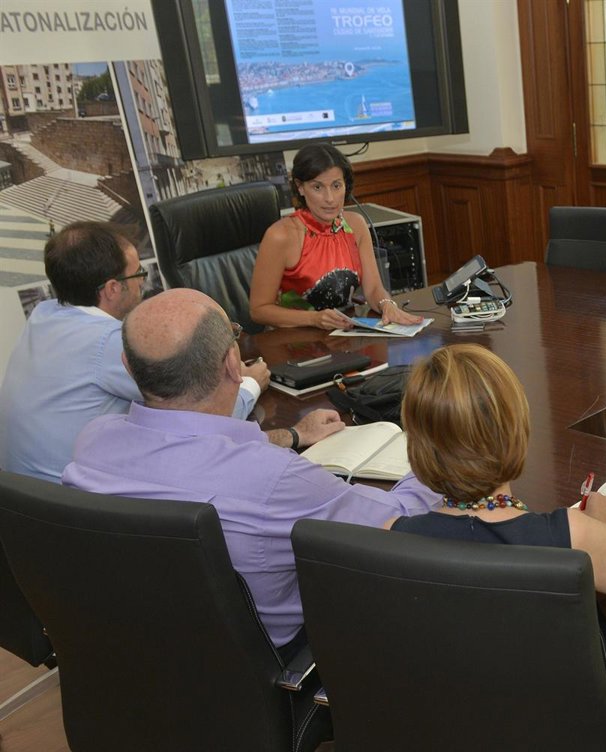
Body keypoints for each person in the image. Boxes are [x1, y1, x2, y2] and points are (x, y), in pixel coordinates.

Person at [62, 288, 440, 652]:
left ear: (128, 367)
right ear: (233, 364)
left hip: (142, 651)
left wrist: (292, 436)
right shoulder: (274, 479)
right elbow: (404, 522)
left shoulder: (92, 442)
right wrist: (437, 445)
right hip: (282, 661)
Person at [387, 343, 606, 720]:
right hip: (574, 722)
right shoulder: (571, 536)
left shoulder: (392, 537)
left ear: (417, 446)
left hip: (458, 717)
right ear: (515, 431)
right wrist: (603, 526)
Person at [0, 222, 265, 483]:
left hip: (24, 496)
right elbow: (205, 423)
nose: (142, 282)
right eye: (138, 273)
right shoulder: (108, 342)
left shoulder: (43, 314)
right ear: (112, 288)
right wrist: (249, 385)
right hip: (78, 498)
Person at [250, 143, 423, 330]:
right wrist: (314, 319)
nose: (330, 198)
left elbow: (373, 289)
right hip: (295, 337)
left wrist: (387, 305)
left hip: (345, 332)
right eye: (317, 187)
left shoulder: (356, 225)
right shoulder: (280, 235)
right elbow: (259, 310)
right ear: (300, 187)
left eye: (336, 185)